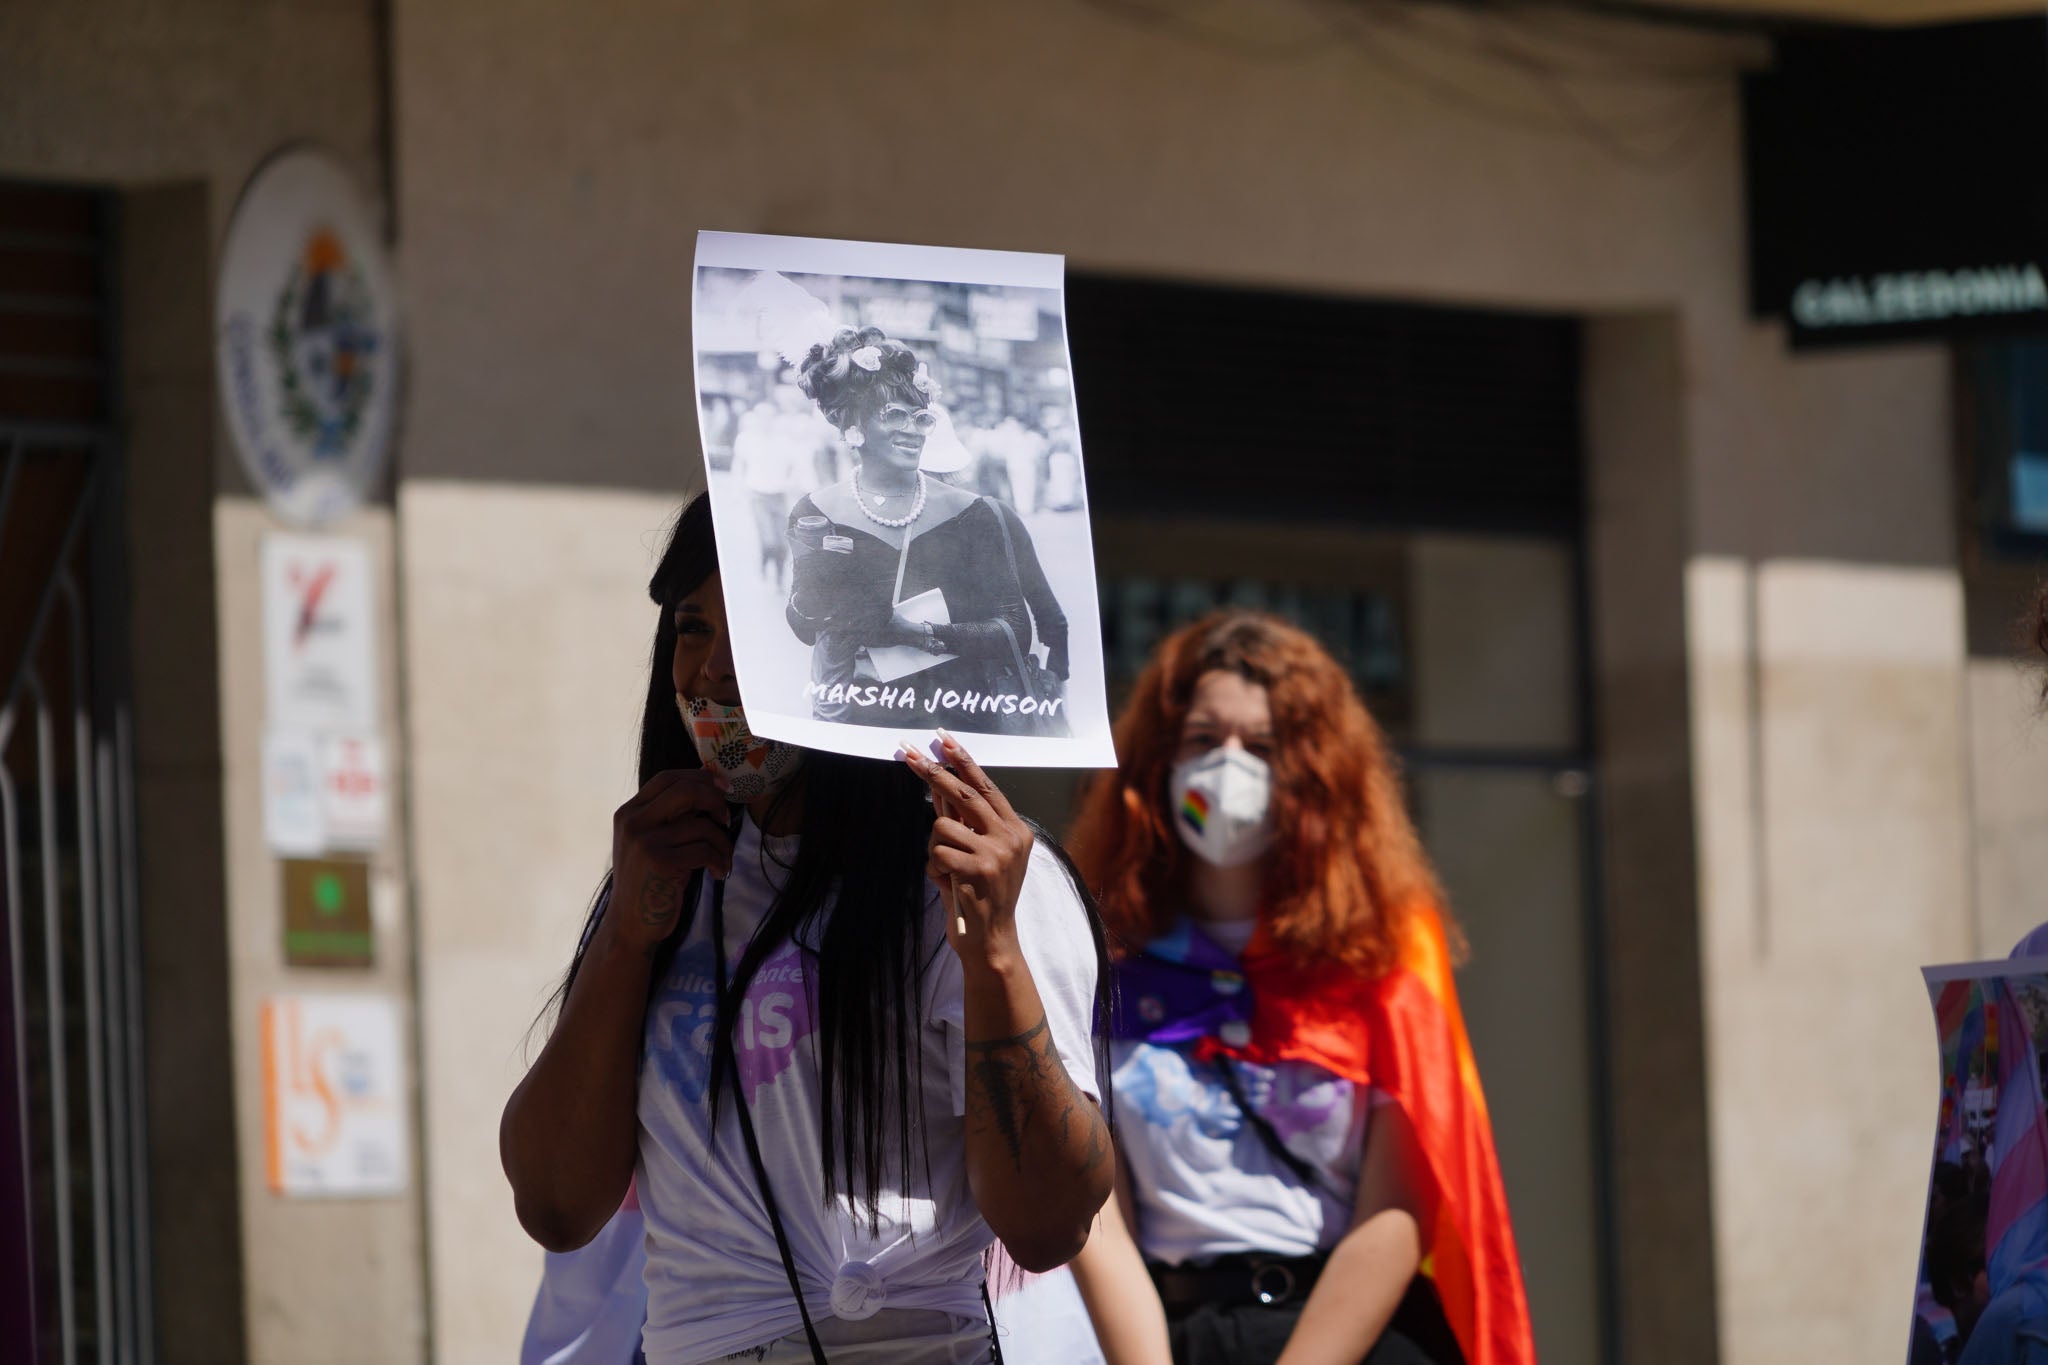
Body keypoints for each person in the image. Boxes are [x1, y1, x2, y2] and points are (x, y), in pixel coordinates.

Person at [500, 495, 1114, 1364]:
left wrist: (997, 960)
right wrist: (627, 938)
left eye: (749, 633)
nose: (710, 671)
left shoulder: (976, 882)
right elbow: (555, 1203)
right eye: (689, 628)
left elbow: (1051, 1222)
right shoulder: (665, 878)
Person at [1062, 612, 1534, 1365]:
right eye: (1203, 739)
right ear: (1156, 763)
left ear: (1315, 772)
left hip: (1348, 1338)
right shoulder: (1100, 957)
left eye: (1263, 746)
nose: (1229, 766)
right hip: (1162, 1338)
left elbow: (1399, 1209)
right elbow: (1095, 1215)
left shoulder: (1383, 956)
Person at [782, 325, 1069, 737]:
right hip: (862, 724)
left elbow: (1014, 632)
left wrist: (918, 634)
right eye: (894, 415)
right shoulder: (815, 512)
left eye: (921, 417)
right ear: (853, 425)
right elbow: (805, 628)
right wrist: (810, 586)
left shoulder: (974, 512)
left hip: (961, 722)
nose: (913, 430)